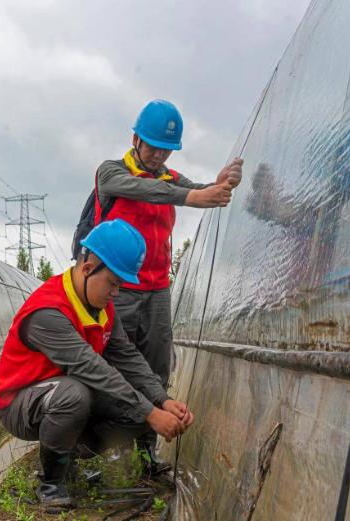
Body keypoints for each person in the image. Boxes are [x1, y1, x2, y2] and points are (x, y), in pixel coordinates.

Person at [0, 220, 195, 511]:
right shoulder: (48, 311)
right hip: (19, 404)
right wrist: (150, 412)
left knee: (134, 407)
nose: (116, 294)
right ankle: (50, 484)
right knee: (75, 395)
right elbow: (91, 368)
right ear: (87, 268)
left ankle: (67, 456)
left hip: (62, 391)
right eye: (112, 283)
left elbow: (127, 357)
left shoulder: (102, 308)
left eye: (121, 285)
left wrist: (162, 400)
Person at [94, 99, 242, 459]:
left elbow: (194, 189)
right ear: (135, 139)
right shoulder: (111, 173)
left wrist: (220, 184)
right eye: (154, 146)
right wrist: (193, 195)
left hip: (158, 290)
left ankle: (147, 452)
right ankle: (114, 449)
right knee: (118, 367)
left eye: (167, 150)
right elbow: (149, 190)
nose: (160, 155)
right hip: (120, 288)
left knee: (156, 369)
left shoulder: (170, 178)